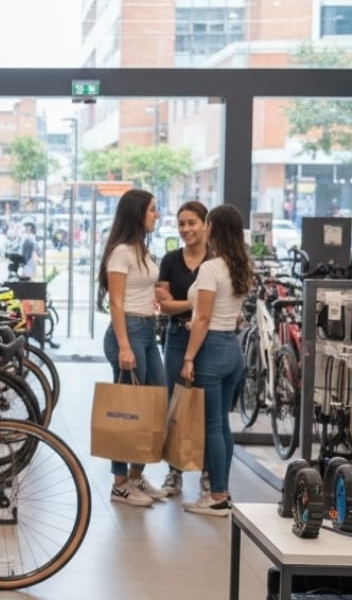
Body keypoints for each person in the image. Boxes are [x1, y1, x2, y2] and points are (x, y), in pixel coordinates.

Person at [97, 188, 167, 507]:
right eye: (153, 210)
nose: (156, 215)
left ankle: (137, 477)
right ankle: (120, 483)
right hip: (128, 332)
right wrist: (125, 346)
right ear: (138, 214)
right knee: (126, 411)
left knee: (154, 402)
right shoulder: (121, 252)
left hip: (148, 330)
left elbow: (145, 290)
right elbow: (117, 301)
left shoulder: (142, 249)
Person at [181, 204, 252, 517]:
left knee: (212, 426)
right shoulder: (240, 266)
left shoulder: (211, 269)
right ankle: (222, 491)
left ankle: (217, 495)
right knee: (222, 423)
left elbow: (204, 317)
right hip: (233, 351)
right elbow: (231, 315)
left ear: (213, 228)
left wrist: (188, 357)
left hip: (211, 349)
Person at [154, 200, 209, 497]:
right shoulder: (171, 260)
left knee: (207, 406)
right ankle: (174, 473)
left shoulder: (216, 259)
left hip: (209, 339)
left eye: (192, 223)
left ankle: (208, 474)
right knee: (175, 405)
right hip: (176, 338)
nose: (186, 229)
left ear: (204, 224)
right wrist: (197, 303)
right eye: (182, 224)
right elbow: (163, 306)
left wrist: (185, 306)